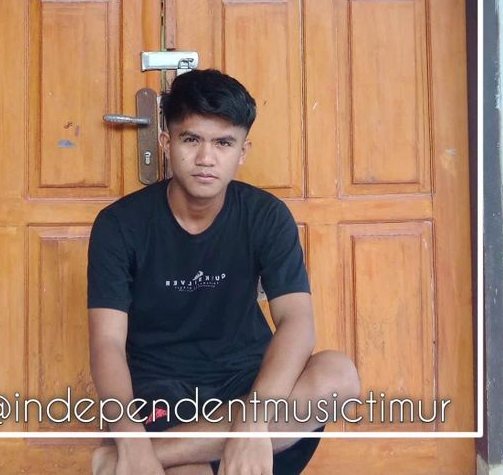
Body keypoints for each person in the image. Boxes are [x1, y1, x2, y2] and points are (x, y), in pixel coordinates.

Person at [87, 69, 360, 475]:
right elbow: (107, 342)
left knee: (338, 376)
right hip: (161, 387)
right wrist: (131, 438)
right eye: (191, 140)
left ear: (242, 152)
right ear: (166, 143)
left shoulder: (266, 216)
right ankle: (152, 453)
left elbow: (297, 322)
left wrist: (253, 422)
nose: (206, 158)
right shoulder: (119, 225)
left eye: (223, 143)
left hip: (249, 381)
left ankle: (123, 461)